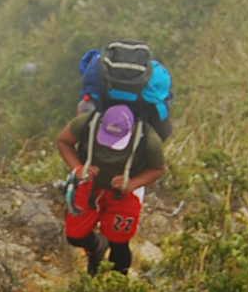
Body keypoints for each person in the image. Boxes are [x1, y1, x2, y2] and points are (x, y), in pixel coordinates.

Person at [55, 102, 167, 276]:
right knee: (75, 236)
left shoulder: (149, 139)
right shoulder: (87, 123)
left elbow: (158, 169)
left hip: (125, 194)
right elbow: (63, 141)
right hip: (90, 185)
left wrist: (131, 184)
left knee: (119, 242)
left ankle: (116, 285)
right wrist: (78, 168)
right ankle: (97, 246)